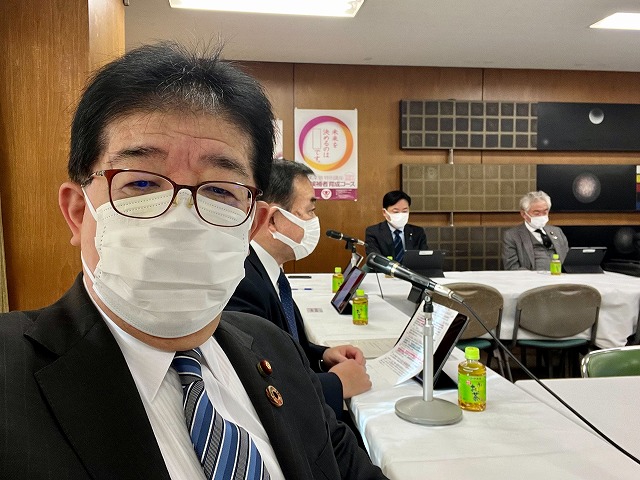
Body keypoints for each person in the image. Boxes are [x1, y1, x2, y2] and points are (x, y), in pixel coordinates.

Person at [0, 42, 387, 480]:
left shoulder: (273, 347)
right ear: (77, 212)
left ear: (252, 224)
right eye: (141, 183)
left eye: (221, 190)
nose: (179, 217)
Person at [226, 159, 371, 420]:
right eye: (309, 211)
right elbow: (259, 384)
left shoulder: (269, 271)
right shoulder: (242, 282)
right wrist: (335, 384)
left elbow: (284, 347)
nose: (315, 221)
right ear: (272, 220)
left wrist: (323, 356)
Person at [503, 190, 569, 271]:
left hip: (559, 276)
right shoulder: (512, 236)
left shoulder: (557, 232)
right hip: (531, 277)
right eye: (537, 213)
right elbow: (512, 267)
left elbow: (569, 261)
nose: (541, 216)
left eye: (545, 212)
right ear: (524, 214)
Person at [365, 190, 427, 260]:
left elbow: (424, 259)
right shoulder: (374, 232)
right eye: (396, 212)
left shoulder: (418, 232)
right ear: (384, 212)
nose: (401, 215)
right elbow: (375, 260)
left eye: (404, 211)